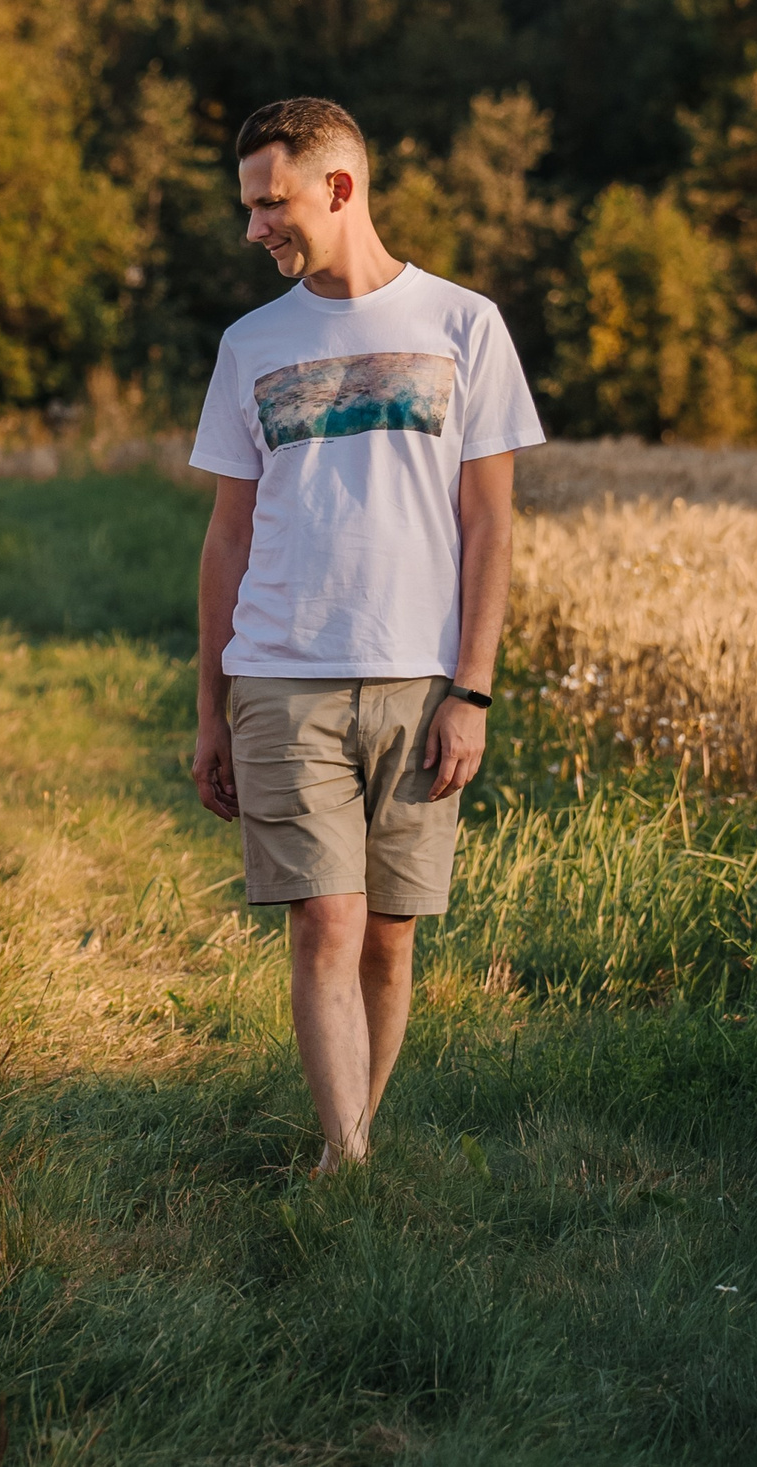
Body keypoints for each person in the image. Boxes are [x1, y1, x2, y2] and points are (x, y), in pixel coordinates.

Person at [188, 97, 544, 1175]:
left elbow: (488, 524)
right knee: (326, 925)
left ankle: (356, 1136)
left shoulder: (463, 325)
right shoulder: (250, 344)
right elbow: (226, 535)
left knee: (391, 937)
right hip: (280, 679)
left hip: (417, 681)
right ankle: (346, 1165)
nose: (255, 228)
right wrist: (208, 708)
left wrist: (470, 691)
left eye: (270, 202)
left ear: (339, 188)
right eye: (249, 207)